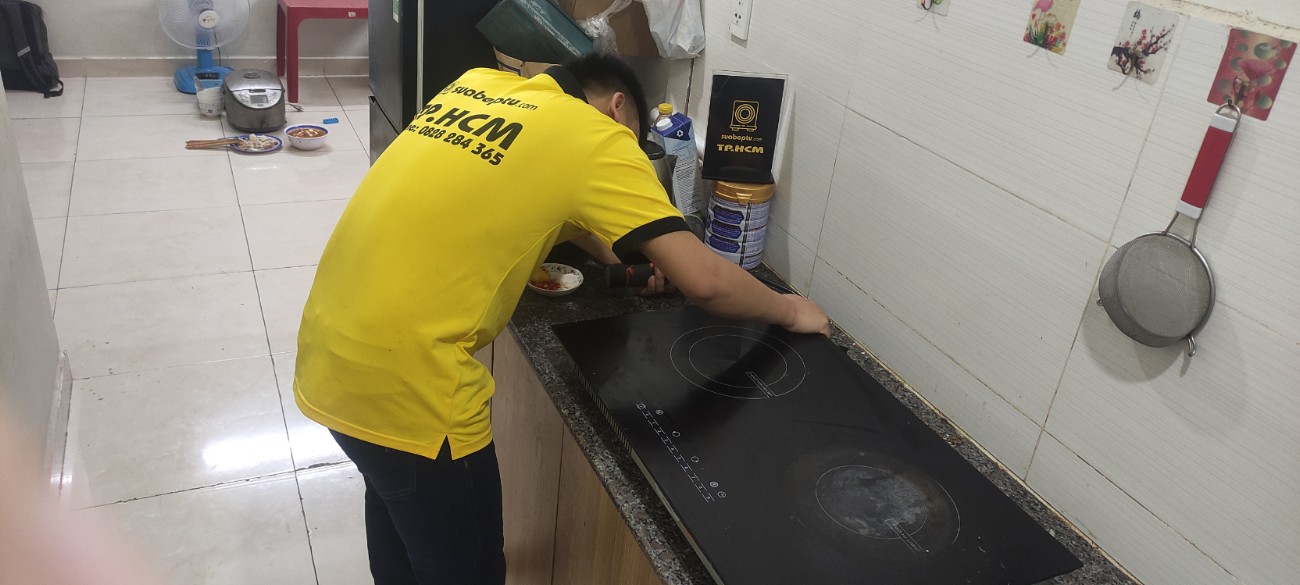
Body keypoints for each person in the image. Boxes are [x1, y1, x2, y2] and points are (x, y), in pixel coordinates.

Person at [293, 52, 830, 585]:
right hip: (412, 390)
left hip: (332, 352)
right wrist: (789, 308)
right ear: (618, 108)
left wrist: (637, 255)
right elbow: (708, 282)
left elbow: (549, 199)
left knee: (400, 535)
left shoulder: (478, 84)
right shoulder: (598, 137)